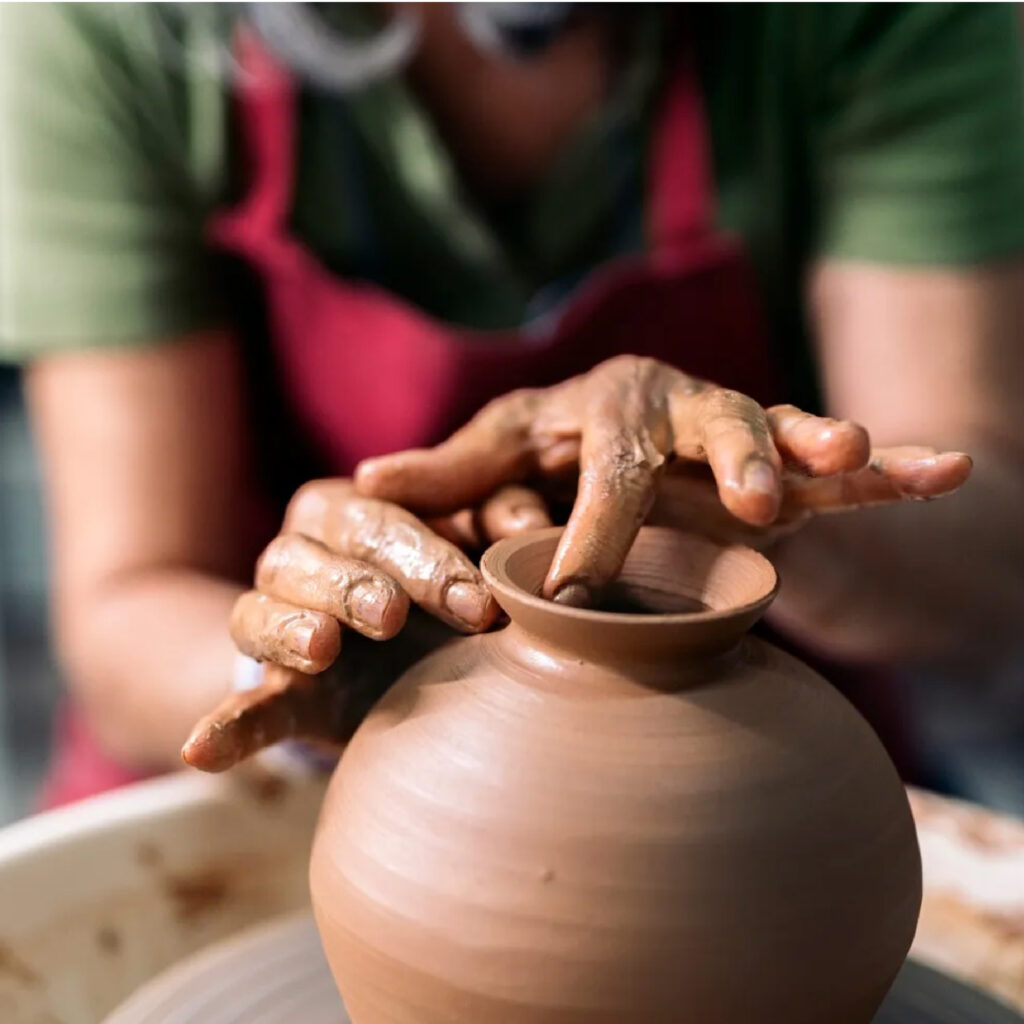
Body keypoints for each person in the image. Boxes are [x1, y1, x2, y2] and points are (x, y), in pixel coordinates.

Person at [1, 4, 1022, 802]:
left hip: (758, 787)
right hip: (299, 790)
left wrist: (781, 524)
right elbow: (123, 603)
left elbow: (983, 539)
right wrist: (315, 661)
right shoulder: (123, 22)